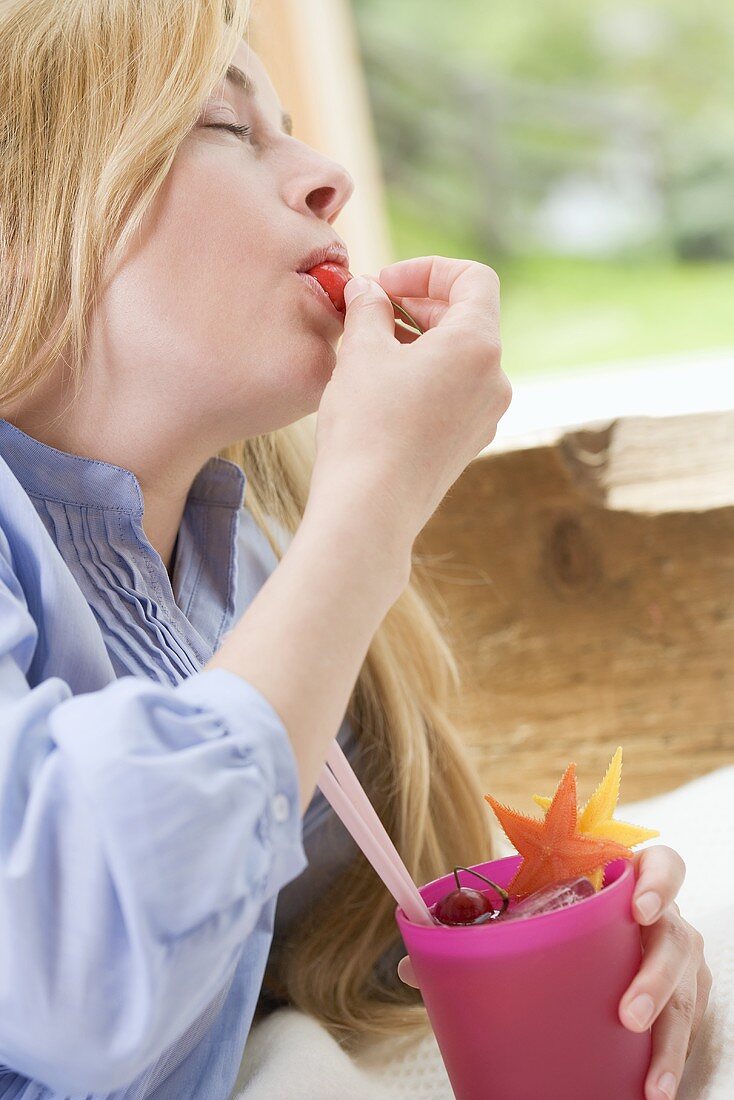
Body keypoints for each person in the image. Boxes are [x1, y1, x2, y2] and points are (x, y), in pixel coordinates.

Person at [0, 2, 710, 1098]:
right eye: (228, 127)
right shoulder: (319, 556)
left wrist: (588, 944)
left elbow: (365, 949)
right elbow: (67, 960)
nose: (327, 173)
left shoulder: (246, 572)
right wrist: (372, 508)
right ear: (27, 209)